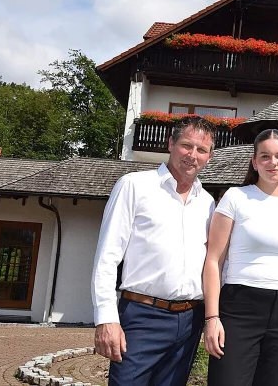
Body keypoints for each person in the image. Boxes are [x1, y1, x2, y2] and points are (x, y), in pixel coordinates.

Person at [91, 116, 216, 385]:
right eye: (186, 145)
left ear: (209, 156)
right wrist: (106, 318)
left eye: (202, 150)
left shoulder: (207, 203)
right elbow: (106, 257)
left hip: (190, 320)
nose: (193, 155)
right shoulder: (134, 186)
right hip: (142, 316)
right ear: (170, 144)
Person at [202, 129, 278, 386]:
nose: (272, 162)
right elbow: (213, 260)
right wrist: (212, 318)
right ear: (254, 162)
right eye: (265, 156)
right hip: (240, 308)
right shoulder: (236, 197)